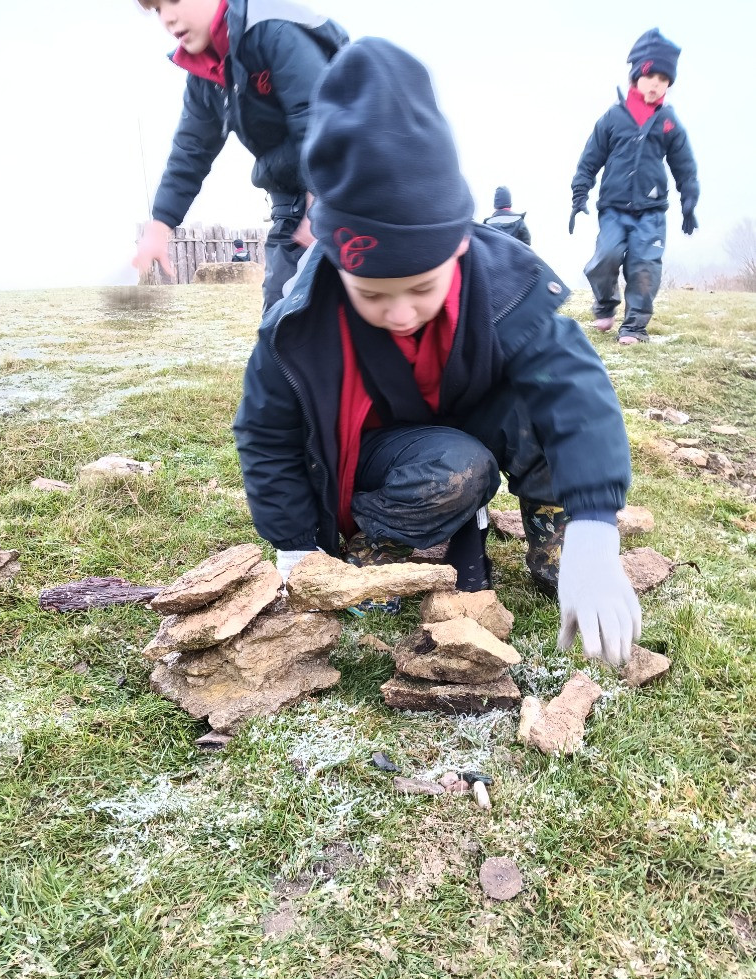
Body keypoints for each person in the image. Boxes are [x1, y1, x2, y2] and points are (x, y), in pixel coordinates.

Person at [234, 38, 642, 665]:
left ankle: (558, 534)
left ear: (459, 250)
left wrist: (595, 526)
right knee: (459, 468)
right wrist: (296, 545)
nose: (400, 313)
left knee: (537, 406)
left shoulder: (504, 286)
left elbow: (579, 396)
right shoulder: (298, 323)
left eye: (422, 288)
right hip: (381, 452)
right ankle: (383, 538)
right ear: (338, 262)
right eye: (373, 293)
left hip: (466, 409)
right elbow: (266, 436)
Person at [131, 0, 348, 309]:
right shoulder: (206, 72)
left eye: (175, 0)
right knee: (279, 305)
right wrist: (159, 225)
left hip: (344, 182)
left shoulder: (272, 29)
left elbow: (316, 117)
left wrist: (322, 203)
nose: (167, 17)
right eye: (156, 9)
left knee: (346, 300)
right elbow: (191, 150)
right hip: (289, 193)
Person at [569, 28, 699, 345]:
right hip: (613, 208)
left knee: (644, 268)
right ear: (636, 75)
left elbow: (684, 164)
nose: (657, 83)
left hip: (651, 211)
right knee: (606, 257)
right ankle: (605, 304)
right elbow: (590, 158)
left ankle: (634, 328)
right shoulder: (613, 118)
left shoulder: (668, 121)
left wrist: (689, 200)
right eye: (651, 75)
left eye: (664, 79)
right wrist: (579, 193)